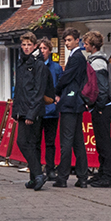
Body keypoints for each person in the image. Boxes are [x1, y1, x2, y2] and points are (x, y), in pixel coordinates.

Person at [11, 32, 51, 191]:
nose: (26, 47)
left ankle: (38, 174)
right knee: (29, 144)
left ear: (35, 46)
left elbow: (38, 91)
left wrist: (31, 114)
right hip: (23, 109)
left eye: (29, 45)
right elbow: (19, 90)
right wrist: (16, 112)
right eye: (24, 45)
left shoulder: (38, 64)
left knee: (25, 142)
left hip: (32, 111)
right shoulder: (22, 62)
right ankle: (35, 177)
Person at [53, 28, 89, 188]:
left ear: (77, 40)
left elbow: (65, 77)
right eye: (65, 40)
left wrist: (56, 91)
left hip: (70, 102)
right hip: (76, 103)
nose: (66, 43)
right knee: (77, 142)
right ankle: (82, 177)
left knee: (66, 142)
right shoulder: (78, 57)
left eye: (69, 40)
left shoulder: (76, 57)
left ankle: (62, 177)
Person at [83, 31, 111, 188]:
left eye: (86, 44)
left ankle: (107, 176)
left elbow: (101, 87)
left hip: (102, 107)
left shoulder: (98, 62)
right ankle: (102, 172)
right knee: (101, 141)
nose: (84, 46)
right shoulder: (98, 60)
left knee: (104, 142)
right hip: (101, 106)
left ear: (92, 46)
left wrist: (99, 106)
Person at [38, 38, 61, 170]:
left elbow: (60, 86)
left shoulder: (56, 67)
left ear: (50, 51)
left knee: (50, 142)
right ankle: (36, 167)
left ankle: (50, 168)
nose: (42, 51)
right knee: (35, 141)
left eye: (45, 48)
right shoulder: (34, 66)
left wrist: (58, 97)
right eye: (40, 48)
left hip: (52, 111)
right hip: (38, 109)